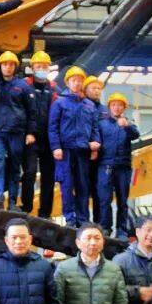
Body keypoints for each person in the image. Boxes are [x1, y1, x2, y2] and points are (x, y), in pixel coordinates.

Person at [0, 51, 38, 209]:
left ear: (15, 67)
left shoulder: (23, 86)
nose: (8, 67)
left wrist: (30, 132)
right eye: (5, 64)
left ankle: (12, 202)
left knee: (14, 167)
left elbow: (32, 111)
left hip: (17, 133)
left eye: (11, 65)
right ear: (0, 66)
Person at [49, 66, 101, 226]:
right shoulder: (59, 102)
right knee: (67, 186)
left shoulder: (89, 105)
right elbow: (53, 126)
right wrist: (56, 147)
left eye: (80, 81)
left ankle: (83, 219)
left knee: (83, 186)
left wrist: (95, 144)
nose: (77, 83)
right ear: (68, 82)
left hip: (83, 151)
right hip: (65, 152)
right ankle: (70, 219)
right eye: (74, 80)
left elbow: (95, 127)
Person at [98, 93, 140, 239]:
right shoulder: (102, 124)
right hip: (105, 166)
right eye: (114, 105)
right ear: (109, 107)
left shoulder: (129, 123)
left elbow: (136, 135)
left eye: (120, 105)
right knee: (105, 200)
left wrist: (127, 126)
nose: (116, 107)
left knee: (123, 200)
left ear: (124, 108)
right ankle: (105, 228)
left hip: (123, 167)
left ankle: (121, 230)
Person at [22, 51, 58, 217]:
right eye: (38, 66)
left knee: (48, 177)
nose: (41, 69)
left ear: (49, 68)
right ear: (32, 68)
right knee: (29, 172)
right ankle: (26, 207)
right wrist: (27, 132)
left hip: (50, 139)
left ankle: (45, 213)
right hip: (32, 137)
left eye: (45, 66)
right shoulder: (24, 86)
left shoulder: (54, 88)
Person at [84, 76, 106, 224]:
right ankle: (83, 223)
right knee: (83, 191)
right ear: (85, 90)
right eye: (93, 88)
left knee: (100, 192)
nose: (97, 91)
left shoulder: (105, 111)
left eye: (99, 88)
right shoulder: (81, 106)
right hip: (84, 156)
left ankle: (99, 224)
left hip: (102, 158)